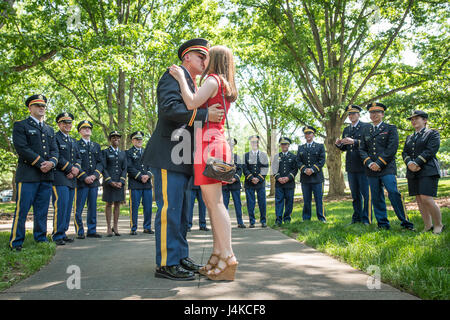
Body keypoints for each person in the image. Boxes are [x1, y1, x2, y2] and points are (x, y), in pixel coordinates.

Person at [143, 38, 224, 281]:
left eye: (206, 57)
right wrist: (203, 114)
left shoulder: (191, 83)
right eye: (201, 56)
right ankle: (167, 263)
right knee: (170, 210)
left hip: (184, 157)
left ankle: (180, 257)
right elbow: (168, 110)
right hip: (169, 154)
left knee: (182, 212)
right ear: (186, 56)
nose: (204, 60)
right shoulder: (172, 76)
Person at [169, 44, 239, 281]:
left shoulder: (212, 80)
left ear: (215, 59)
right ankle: (218, 253)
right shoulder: (223, 83)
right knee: (212, 204)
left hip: (209, 146)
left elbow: (190, 103)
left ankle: (228, 255)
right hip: (213, 143)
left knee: (216, 204)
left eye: (207, 56)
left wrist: (180, 77)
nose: (204, 59)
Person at [9, 94, 59, 251]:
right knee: (22, 210)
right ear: (30, 108)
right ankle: (16, 242)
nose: (41, 108)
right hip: (28, 175)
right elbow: (22, 148)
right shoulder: (21, 125)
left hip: (46, 175)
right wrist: (40, 163)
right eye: (37, 105)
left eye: (43, 105)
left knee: (42, 210)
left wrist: (52, 162)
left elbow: (54, 150)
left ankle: (40, 238)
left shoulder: (49, 129)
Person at [359, 102, 415, 231]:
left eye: (377, 112)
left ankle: (405, 222)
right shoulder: (366, 130)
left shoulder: (390, 128)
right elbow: (362, 149)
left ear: (382, 114)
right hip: (371, 169)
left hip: (386, 168)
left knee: (394, 193)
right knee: (376, 196)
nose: (374, 115)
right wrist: (369, 163)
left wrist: (379, 163)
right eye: (371, 112)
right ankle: (382, 224)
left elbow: (392, 148)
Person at [402, 110, 444, 234]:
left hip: (428, 170)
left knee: (427, 198)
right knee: (419, 200)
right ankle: (427, 226)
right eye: (412, 119)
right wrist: (409, 163)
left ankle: (438, 225)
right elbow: (404, 152)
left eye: (416, 118)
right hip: (413, 172)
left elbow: (431, 150)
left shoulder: (432, 133)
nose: (413, 121)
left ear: (425, 120)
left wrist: (417, 163)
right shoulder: (410, 137)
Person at [335, 105, 371, 225]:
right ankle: (356, 218)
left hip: (363, 165)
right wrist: (339, 144)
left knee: (366, 194)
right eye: (349, 114)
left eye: (354, 114)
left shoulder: (366, 127)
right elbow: (345, 148)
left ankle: (367, 218)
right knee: (355, 195)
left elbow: (369, 143)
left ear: (359, 114)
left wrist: (354, 142)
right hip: (351, 166)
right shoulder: (346, 130)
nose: (351, 116)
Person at [52, 112, 82, 245]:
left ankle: (63, 232)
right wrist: (69, 168)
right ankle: (56, 235)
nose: (67, 125)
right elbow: (56, 156)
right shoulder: (55, 138)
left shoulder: (73, 141)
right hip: (60, 177)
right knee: (61, 205)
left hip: (72, 178)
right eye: (64, 122)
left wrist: (75, 169)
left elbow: (78, 158)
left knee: (68, 206)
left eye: (69, 122)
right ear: (59, 124)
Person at [74, 120, 103, 239]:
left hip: (94, 182)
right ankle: (80, 231)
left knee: (93, 207)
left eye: (89, 128)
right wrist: (84, 177)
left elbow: (100, 163)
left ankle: (92, 230)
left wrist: (95, 176)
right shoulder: (75, 144)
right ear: (80, 131)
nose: (87, 130)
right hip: (81, 181)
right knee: (79, 207)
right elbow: (75, 162)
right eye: (84, 128)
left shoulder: (96, 146)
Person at [296, 126, 327, 222]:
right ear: (304, 136)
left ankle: (321, 218)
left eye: (309, 133)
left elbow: (322, 160)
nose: (308, 135)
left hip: (317, 178)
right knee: (306, 200)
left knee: (319, 199)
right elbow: (298, 161)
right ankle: (306, 218)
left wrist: (312, 169)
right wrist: (305, 169)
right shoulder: (301, 147)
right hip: (305, 178)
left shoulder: (320, 146)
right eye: (306, 133)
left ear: (313, 134)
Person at [126, 131, 154, 235]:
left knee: (148, 207)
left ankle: (147, 227)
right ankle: (133, 228)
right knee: (134, 207)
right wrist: (140, 176)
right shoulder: (128, 153)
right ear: (132, 140)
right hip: (135, 183)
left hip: (147, 184)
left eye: (140, 139)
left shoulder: (147, 151)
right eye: (136, 139)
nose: (139, 141)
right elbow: (129, 167)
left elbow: (152, 165)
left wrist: (148, 175)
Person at [102, 131, 127, 237]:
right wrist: (110, 181)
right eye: (113, 137)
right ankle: (108, 227)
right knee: (108, 204)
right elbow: (103, 167)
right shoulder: (105, 152)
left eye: (117, 137)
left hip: (119, 183)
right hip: (109, 183)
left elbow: (124, 168)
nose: (116, 139)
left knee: (117, 204)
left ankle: (115, 227)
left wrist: (121, 181)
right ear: (110, 139)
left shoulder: (123, 153)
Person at [243, 135, 269, 228]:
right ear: (251, 143)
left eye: (256, 142)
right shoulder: (246, 155)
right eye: (253, 142)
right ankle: (252, 222)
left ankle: (263, 221)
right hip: (249, 183)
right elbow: (245, 169)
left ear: (258, 143)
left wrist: (258, 178)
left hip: (260, 183)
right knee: (250, 203)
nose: (255, 143)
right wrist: (251, 178)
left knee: (262, 202)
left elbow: (265, 168)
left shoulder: (263, 155)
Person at [272, 137, 298, 226]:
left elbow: (295, 169)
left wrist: (288, 178)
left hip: (289, 184)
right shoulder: (276, 157)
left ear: (288, 145)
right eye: (282, 144)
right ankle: (278, 220)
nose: (284, 146)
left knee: (289, 202)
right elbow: (274, 169)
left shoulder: (293, 156)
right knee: (279, 201)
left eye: (286, 144)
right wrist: (278, 178)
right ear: (280, 145)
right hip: (279, 184)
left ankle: (287, 219)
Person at [222, 138, 246, 228]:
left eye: (232, 144)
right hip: (224, 184)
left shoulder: (237, 157)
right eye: (229, 144)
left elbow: (240, 170)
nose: (230, 146)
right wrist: (225, 178)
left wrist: (235, 178)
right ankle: (225, 223)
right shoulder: (222, 157)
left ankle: (240, 222)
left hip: (235, 184)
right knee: (224, 204)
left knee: (237, 203)